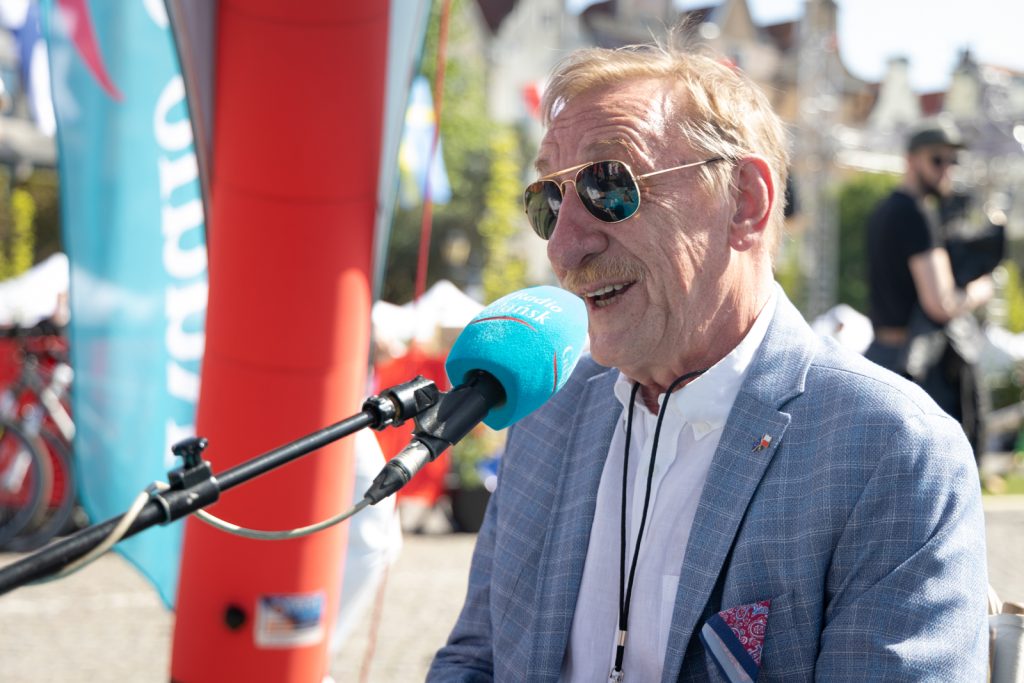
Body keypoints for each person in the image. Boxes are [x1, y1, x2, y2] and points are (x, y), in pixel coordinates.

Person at [428, 38, 989, 681]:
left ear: (744, 202)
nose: (564, 247)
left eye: (607, 185)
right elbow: (474, 659)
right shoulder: (546, 414)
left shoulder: (891, 449)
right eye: (548, 203)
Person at [865, 119, 995, 458]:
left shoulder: (884, 210)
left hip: (882, 356)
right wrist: (982, 289)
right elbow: (941, 303)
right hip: (913, 366)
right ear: (911, 160)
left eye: (953, 161)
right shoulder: (917, 214)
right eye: (937, 159)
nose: (946, 169)